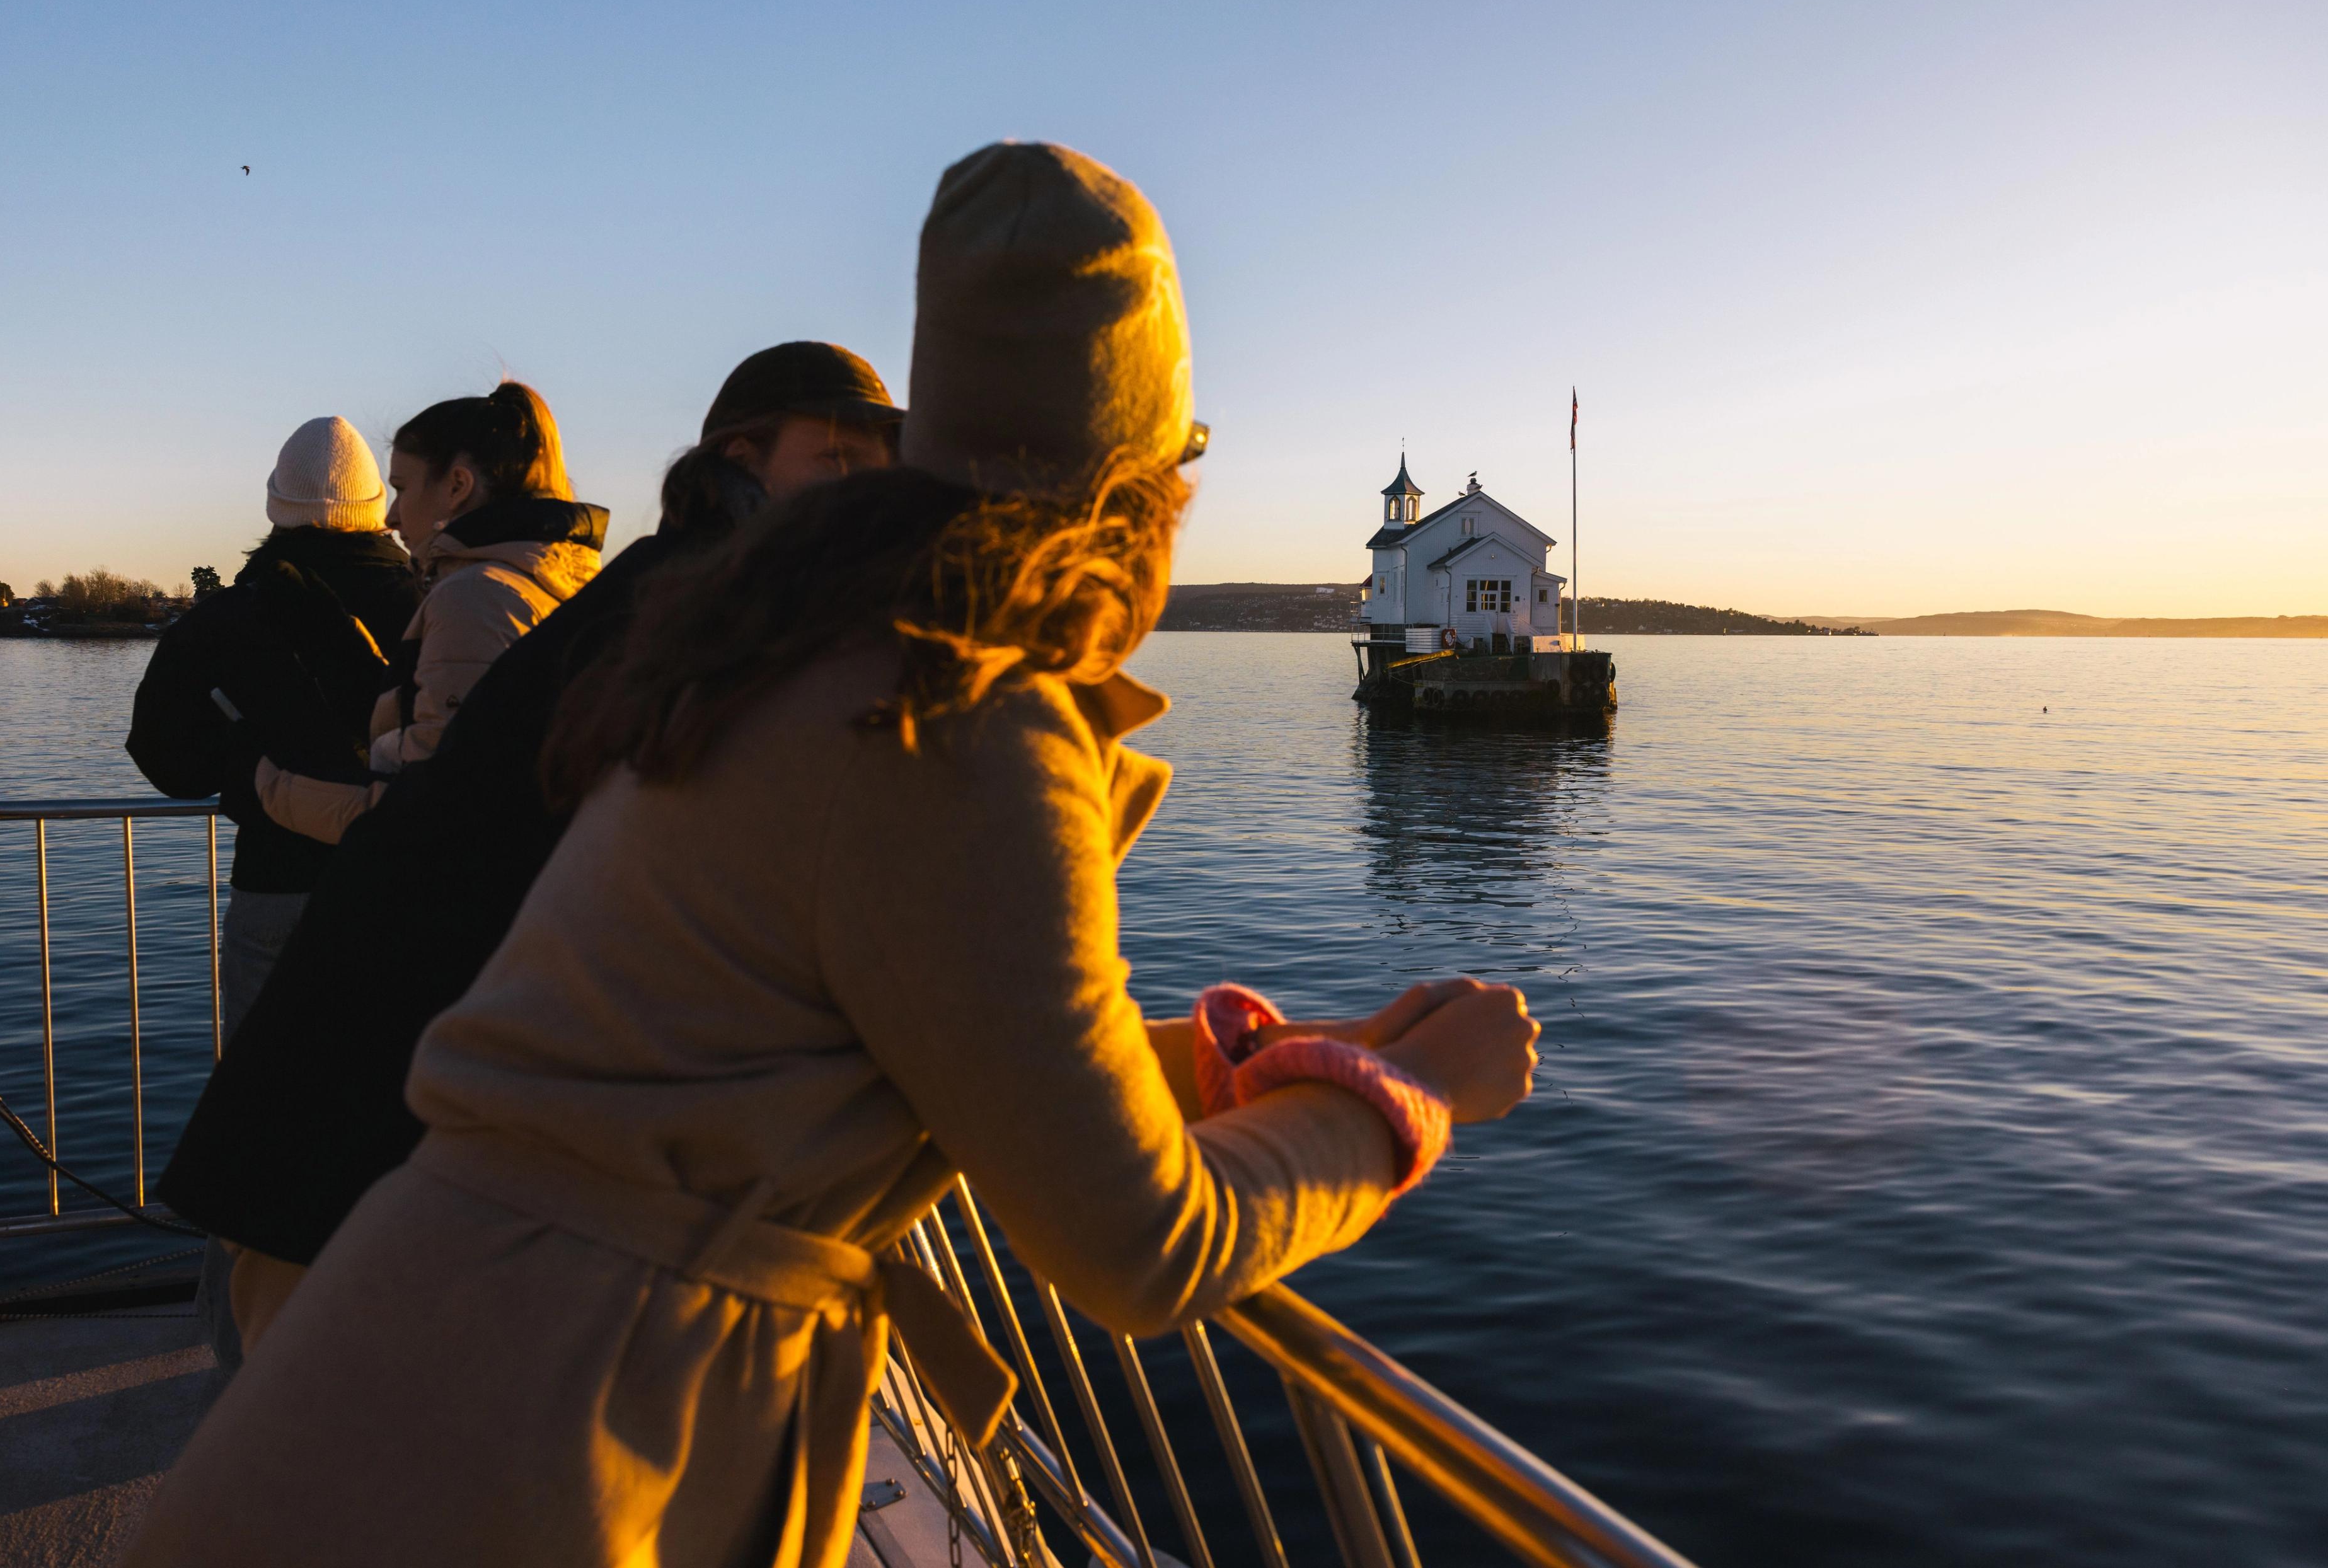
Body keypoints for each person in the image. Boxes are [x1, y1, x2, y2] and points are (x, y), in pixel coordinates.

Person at [122, 143, 1539, 1568]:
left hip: (441, 1338)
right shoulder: (950, 711)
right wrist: (1403, 1095)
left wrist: (1276, 1059)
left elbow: (962, 1032)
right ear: (1140, 489)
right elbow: (1136, 1240)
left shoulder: (786, 645)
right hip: (518, 1435)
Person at [155, 345, 902, 1359]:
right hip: (412, 1012)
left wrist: (263, 780)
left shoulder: (643, 598)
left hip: (414, 1002)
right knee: (308, 1354)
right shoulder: (662, 600)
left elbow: (450, 794)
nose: (868, 492)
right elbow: (462, 802)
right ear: (744, 456)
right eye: (839, 460)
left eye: (880, 467)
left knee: (316, 1309)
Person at [124, 417, 422, 1031]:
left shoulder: (226, 619)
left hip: (276, 885)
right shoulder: (435, 604)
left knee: (265, 1108)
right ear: (377, 507)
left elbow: (166, 761)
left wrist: (245, 760)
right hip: (410, 887)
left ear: (275, 506)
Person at [253, 381, 606, 845]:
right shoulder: (557, 582)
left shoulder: (474, 597)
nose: (391, 515)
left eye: (401, 487)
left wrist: (280, 790)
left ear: (458, 485)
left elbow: (439, 805)